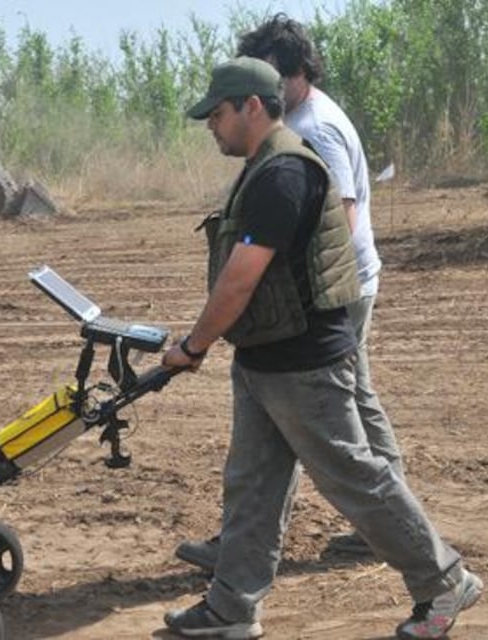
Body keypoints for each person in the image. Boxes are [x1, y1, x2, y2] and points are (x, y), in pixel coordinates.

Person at [161, 56, 482, 640]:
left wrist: (192, 345)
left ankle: (442, 581)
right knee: (253, 485)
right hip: (265, 355)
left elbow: (241, 278)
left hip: (304, 363)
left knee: (353, 478)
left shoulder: (285, 174)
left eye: (218, 113)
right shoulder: (263, 167)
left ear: (251, 107)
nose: (211, 124)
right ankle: (231, 609)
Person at [175, 11, 403, 572]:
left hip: (328, 296)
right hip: (330, 292)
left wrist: (288, 293)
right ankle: (254, 545)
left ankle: (395, 535)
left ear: (295, 71)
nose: (266, 85)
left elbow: (338, 219)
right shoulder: (299, 121)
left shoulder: (315, 128)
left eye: (272, 73)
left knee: (331, 424)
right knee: (342, 415)